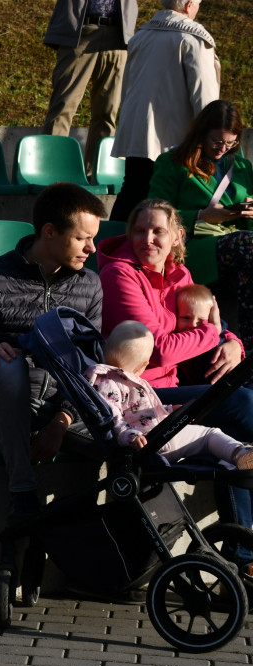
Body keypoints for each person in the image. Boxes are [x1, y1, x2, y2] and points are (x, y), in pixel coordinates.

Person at [0, 183, 106, 525]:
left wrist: (62, 421)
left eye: (93, 238)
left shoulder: (89, 284)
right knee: (9, 360)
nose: (92, 248)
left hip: (52, 412)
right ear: (50, 231)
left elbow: (89, 368)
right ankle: (22, 493)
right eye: (82, 238)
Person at [98, 197, 253, 551]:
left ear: (177, 237)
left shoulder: (179, 273)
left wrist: (232, 343)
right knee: (239, 402)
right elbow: (160, 349)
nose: (147, 240)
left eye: (157, 231)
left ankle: (240, 556)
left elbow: (207, 321)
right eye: (139, 230)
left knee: (235, 427)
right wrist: (213, 335)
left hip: (175, 387)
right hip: (139, 396)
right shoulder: (119, 274)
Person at [147, 100, 253, 348]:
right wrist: (199, 216)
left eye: (230, 143)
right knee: (245, 244)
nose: (222, 149)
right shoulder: (173, 162)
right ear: (201, 133)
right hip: (193, 246)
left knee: (246, 264)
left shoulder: (241, 166)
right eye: (217, 142)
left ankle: (246, 348)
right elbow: (154, 212)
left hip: (239, 248)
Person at [86, 320, 253, 468]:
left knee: (210, 435)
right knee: (210, 435)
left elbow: (140, 409)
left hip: (153, 437)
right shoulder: (109, 383)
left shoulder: (116, 380)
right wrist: (131, 436)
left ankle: (235, 458)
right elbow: (112, 418)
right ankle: (238, 453)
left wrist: (170, 409)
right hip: (151, 441)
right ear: (143, 366)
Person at [109, 0, 218, 221]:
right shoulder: (194, 39)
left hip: (136, 134)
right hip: (173, 140)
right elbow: (204, 98)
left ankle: (109, 248)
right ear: (189, 5)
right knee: (164, 204)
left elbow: (127, 85)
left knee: (131, 193)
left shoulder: (141, 35)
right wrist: (212, 135)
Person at [41, 0, 138, 176]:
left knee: (107, 112)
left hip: (118, 35)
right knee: (63, 106)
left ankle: (96, 173)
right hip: (80, 33)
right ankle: (51, 170)